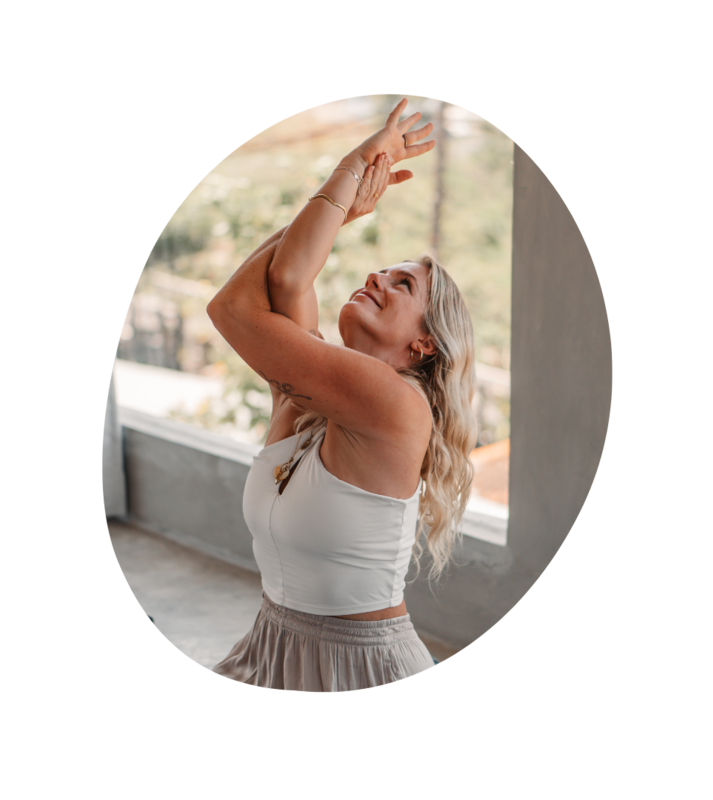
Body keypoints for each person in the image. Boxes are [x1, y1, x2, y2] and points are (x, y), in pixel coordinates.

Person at [206, 98, 477, 691]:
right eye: (382, 268)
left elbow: (232, 309)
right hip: (271, 646)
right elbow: (286, 278)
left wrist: (351, 175)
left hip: (361, 667)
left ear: (425, 345)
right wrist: (344, 203)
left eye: (402, 283)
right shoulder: (308, 402)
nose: (376, 276)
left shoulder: (395, 403)